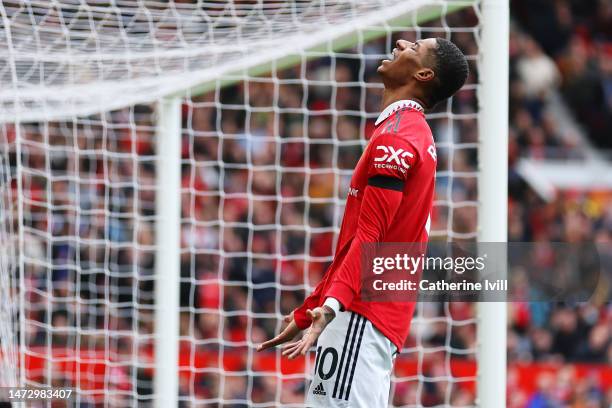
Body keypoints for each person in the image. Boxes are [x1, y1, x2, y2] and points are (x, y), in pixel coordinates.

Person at [257, 37, 469, 407]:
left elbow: (369, 239)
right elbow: (359, 238)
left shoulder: (398, 139)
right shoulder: (404, 132)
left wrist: (331, 307)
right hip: (360, 313)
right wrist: (313, 307)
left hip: (360, 314)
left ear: (422, 74)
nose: (401, 42)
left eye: (414, 46)